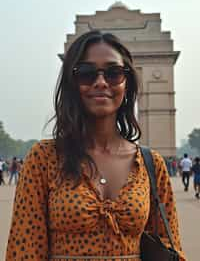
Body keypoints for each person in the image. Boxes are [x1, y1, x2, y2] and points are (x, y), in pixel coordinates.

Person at [6, 30, 186, 261]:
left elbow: (171, 248)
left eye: (114, 73)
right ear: (72, 83)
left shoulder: (152, 165)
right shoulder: (44, 158)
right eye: (87, 73)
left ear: (127, 83)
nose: (100, 82)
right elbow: (24, 252)